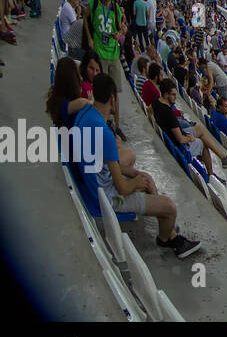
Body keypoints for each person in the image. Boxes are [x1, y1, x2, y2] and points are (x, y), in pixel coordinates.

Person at [75, 74, 200, 258]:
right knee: (170, 207)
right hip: (107, 198)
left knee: (146, 178)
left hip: (94, 184)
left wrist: (136, 174)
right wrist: (136, 183)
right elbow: (123, 188)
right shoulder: (105, 134)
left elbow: (105, 164)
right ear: (112, 98)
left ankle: (170, 229)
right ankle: (166, 239)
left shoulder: (86, 114)